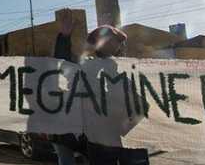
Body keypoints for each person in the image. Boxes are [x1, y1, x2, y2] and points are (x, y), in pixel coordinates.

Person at [79, 25, 149, 165]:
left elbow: (141, 106)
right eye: (114, 42)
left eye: (118, 43)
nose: (119, 46)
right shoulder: (89, 70)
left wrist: (124, 128)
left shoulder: (124, 68)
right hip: (101, 139)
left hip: (120, 140)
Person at [50, 14, 84, 165]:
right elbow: (61, 61)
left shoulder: (88, 73)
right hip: (63, 128)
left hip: (84, 128)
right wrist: (64, 37)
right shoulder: (64, 75)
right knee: (66, 158)